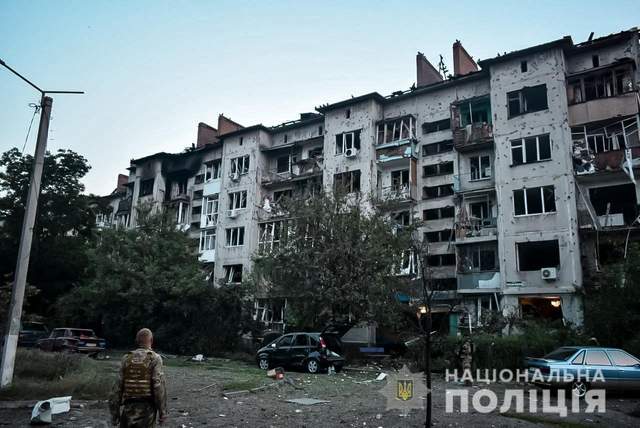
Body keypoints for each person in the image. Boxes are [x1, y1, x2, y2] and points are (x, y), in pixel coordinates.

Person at [110, 328, 167, 427]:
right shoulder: (155, 358)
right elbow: (158, 386)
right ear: (151, 340)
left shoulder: (126, 358)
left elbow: (116, 389)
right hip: (147, 411)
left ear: (137, 341)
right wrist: (162, 411)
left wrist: (115, 413)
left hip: (128, 410)